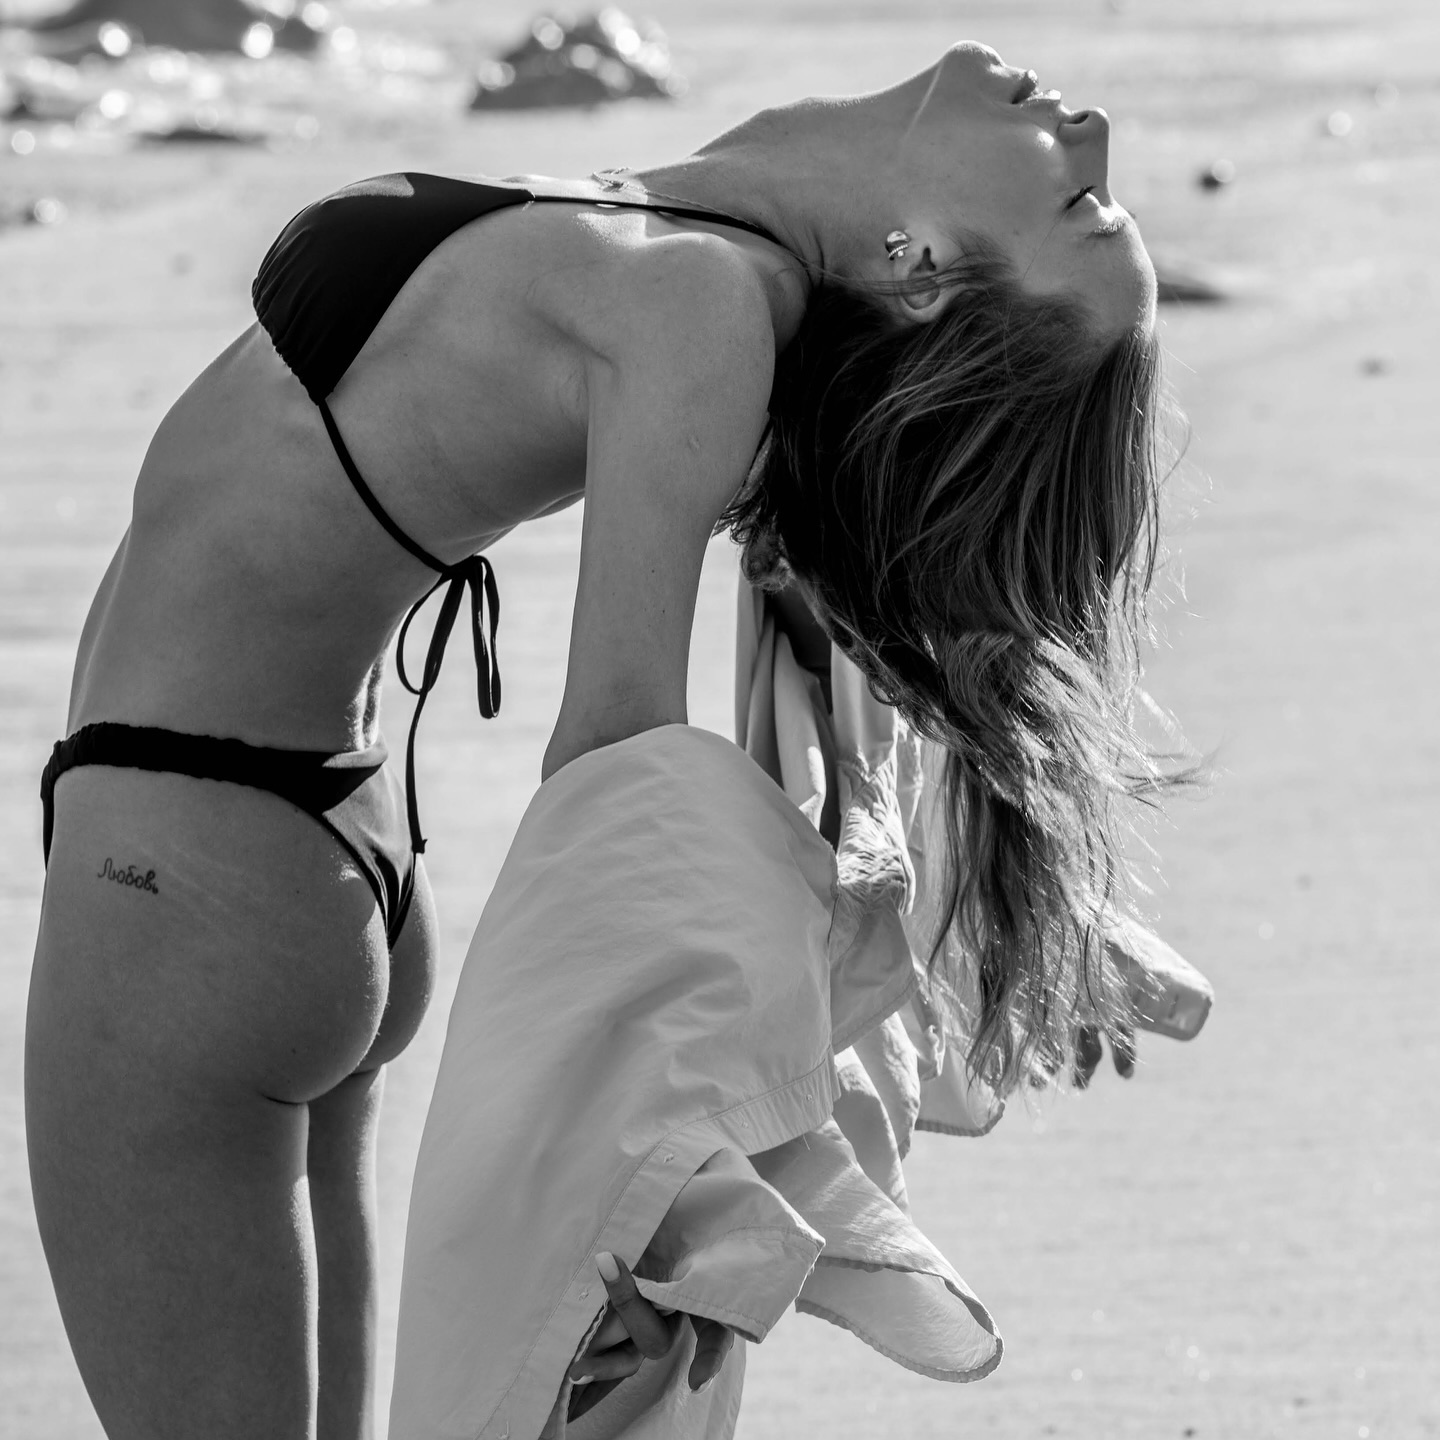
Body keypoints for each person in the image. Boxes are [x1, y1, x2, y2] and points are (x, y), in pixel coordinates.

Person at [27, 39, 1168, 1440]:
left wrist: (642, 1165)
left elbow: (614, 750)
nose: (1092, 127)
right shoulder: (719, 254)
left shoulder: (703, 305)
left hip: (194, 882)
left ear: (923, 268)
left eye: (1081, 202)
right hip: (278, 856)